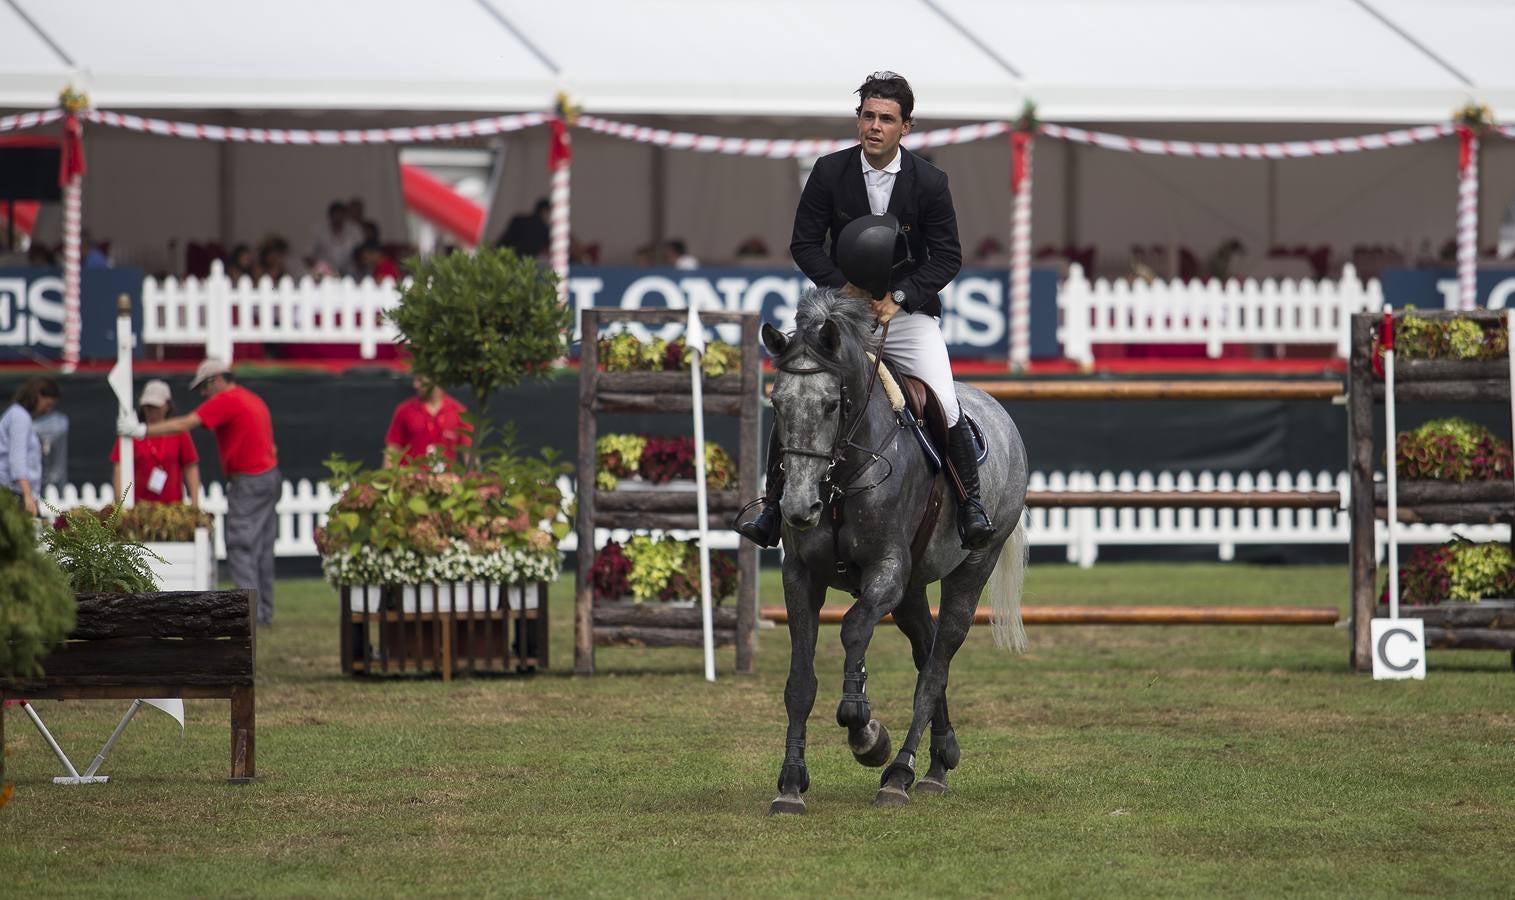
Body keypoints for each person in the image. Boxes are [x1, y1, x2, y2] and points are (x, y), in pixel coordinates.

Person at [737, 70, 992, 551]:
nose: (875, 126)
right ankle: (771, 507)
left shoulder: (930, 182)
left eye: (886, 119)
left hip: (906, 314)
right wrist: (843, 287)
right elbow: (804, 244)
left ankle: (969, 504)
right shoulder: (829, 171)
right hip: (841, 313)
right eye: (868, 116)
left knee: (945, 399)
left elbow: (948, 255)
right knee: (800, 394)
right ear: (859, 120)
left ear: (905, 127)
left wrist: (899, 299)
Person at [118, 359, 280, 626]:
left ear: (216, 380)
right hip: (268, 476)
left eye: (204, 388)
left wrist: (143, 430)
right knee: (261, 550)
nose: (203, 395)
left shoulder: (227, 400)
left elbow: (186, 423)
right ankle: (263, 613)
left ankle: (251, 616)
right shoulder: (251, 399)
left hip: (249, 480)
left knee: (241, 547)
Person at [111, 379, 200, 506]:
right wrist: (120, 504)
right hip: (138, 508)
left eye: (155, 407)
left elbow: (190, 466)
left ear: (167, 406)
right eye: (148, 407)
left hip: (172, 509)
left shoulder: (179, 433)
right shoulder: (131, 434)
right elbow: (119, 468)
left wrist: (195, 502)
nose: (151, 411)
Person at [0, 377, 60, 516]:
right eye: (48, 404)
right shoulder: (19, 417)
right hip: (12, 492)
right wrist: (27, 495)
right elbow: (17, 460)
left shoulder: (18, 415)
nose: (48, 409)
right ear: (38, 396)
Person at [385, 374, 470, 464]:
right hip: (411, 475)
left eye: (420, 380)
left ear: (436, 380)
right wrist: (388, 476)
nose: (415, 385)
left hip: (444, 476)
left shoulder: (459, 411)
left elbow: (470, 453)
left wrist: (475, 476)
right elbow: (393, 449)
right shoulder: (405, 410)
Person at [311, 200, 364, 276]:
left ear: (345, 215)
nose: (338, 218)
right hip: (326, 273)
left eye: (340, 215)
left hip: (351, 271)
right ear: (330, 216)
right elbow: (310, 254)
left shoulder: (355, 230)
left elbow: (362, 252)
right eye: (335, 215)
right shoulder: (319, 231)